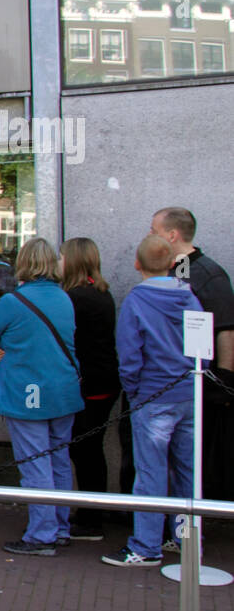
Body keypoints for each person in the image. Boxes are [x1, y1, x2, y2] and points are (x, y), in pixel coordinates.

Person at [102, 236, 205, 567]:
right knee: (188, 471)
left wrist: (133, 390)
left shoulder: (137, 300)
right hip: (189, 392)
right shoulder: (190, 297)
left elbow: (129, 355)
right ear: (173, 263)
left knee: (150, 474)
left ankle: (146, 547)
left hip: (153, 395)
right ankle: (187, 540)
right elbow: (200, 348)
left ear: (137, 263)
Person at [0, 238, 84, 557]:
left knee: (36, 464)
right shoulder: (64, 298)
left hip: (29, 392)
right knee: (59, 461)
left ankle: (42, 534)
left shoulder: (13, 302)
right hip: (62, 389)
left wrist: (3, 347)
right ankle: (60, 526)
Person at [153, 206, 234, 503]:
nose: (149, 236)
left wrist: (224, 378)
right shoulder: (163, 270)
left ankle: (186, 530)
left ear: (172, 235)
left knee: (190, 463)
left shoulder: (209, 274)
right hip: (164, 384)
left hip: (198, 385)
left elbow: (226, 327)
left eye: (155, 231)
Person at [60, 238, 120, 541]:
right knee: (89, 448)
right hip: (103, 381)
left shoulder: (76, 298)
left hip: (92, 383)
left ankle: (91, 519)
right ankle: (91, 511)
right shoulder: (100, 292)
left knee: (86, 449)